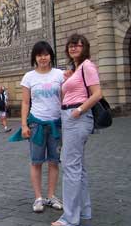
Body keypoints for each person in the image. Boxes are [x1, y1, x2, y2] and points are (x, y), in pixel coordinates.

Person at [52, 34, 102, 226]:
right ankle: (85, 211)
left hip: (77, 116)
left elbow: (97, 93)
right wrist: (69, 79)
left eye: (77, 45)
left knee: (70, 166)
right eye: (71, 46)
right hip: (70, 117)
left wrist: (80, 110)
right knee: (78, 167)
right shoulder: (77, 69)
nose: (73, 48)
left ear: (85, 47)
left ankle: (69, 218)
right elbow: (68, 93)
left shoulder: (87, 66)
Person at [14, 41, 64, 213]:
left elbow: (64, 100)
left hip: (56, 124)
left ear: (51, 55)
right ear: (35, 57)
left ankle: (51, 196)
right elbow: (26, 102)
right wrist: (24, 125)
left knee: (54, 162)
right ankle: (38, 198)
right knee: (36, 162)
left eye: (46, 54)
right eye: (39, 55)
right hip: (36, 124)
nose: (43, 58)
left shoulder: (60, 74)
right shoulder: (29, 77)